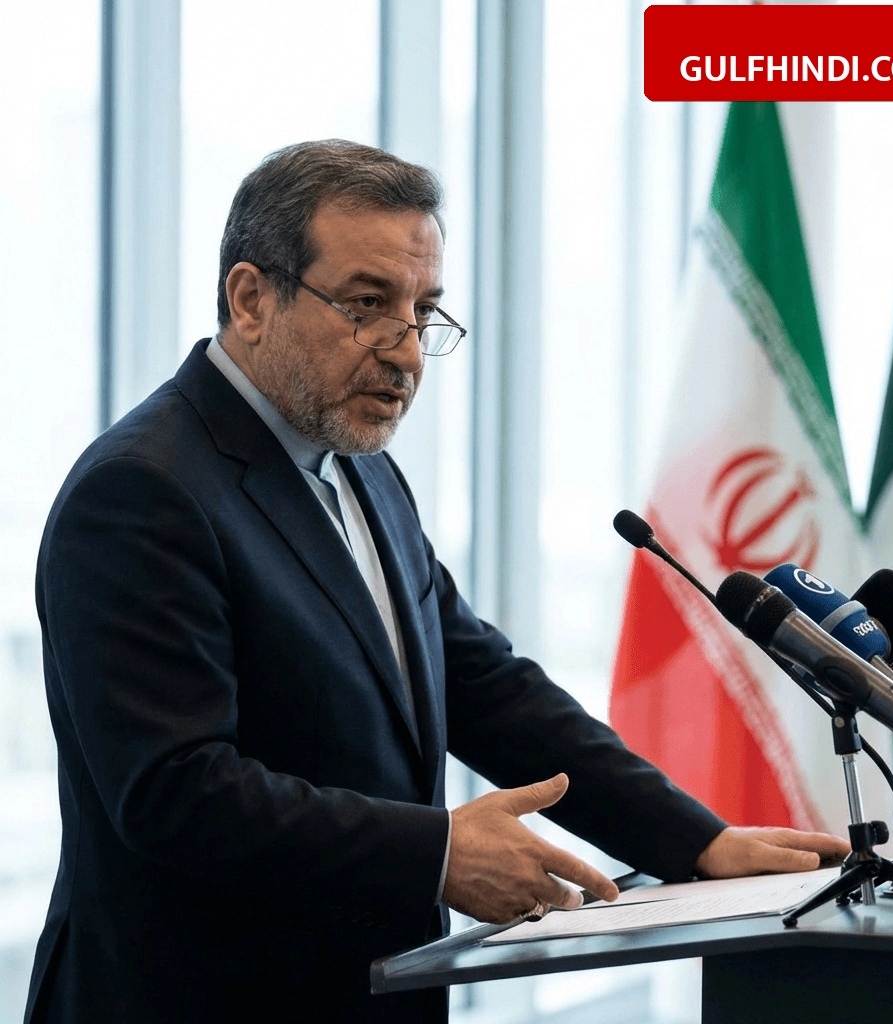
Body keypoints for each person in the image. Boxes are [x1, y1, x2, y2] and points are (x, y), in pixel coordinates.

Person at [26, 140, 848, 1024]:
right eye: (367, 305)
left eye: (423, 312)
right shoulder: (143, 490)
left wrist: (698, 841)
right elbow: (175, 791)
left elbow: (482, 686)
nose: (407, 353)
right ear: (251, 298)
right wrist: (436, 855)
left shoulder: (358, 466)